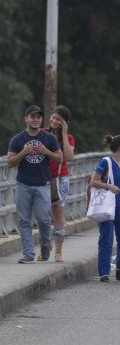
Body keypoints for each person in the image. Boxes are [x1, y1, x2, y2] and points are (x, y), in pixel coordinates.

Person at [7, 105, 63, 264]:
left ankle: (45, 243)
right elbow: (10, 162)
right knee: (24, 220)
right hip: (23, 184)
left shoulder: (49, 138)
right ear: (26, 119)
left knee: (44, 219)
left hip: (43, 184)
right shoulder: (18, 139)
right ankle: (28, 254)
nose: (36, 119)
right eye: (32, 117)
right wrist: (23, 152)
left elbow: (59, 158)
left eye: (38, 117)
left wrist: (46, 151)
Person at [89, 135, 120, 282]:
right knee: (106, 238)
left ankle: (119, 264)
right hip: (107, 205)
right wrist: (109, 186)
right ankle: (104, 272)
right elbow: (94, 181)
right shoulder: (105, 162)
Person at [45, 106, 75, 262]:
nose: (54, 121)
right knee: (41, 214)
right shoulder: (44, 133)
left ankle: (58, 251)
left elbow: (69, 157)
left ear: (65, 123)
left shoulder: (68, 137)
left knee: (57, 213)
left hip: (60, 179)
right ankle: (45, 243)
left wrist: (63, 134)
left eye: (59, 119)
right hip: (42, 179)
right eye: (53, 118)